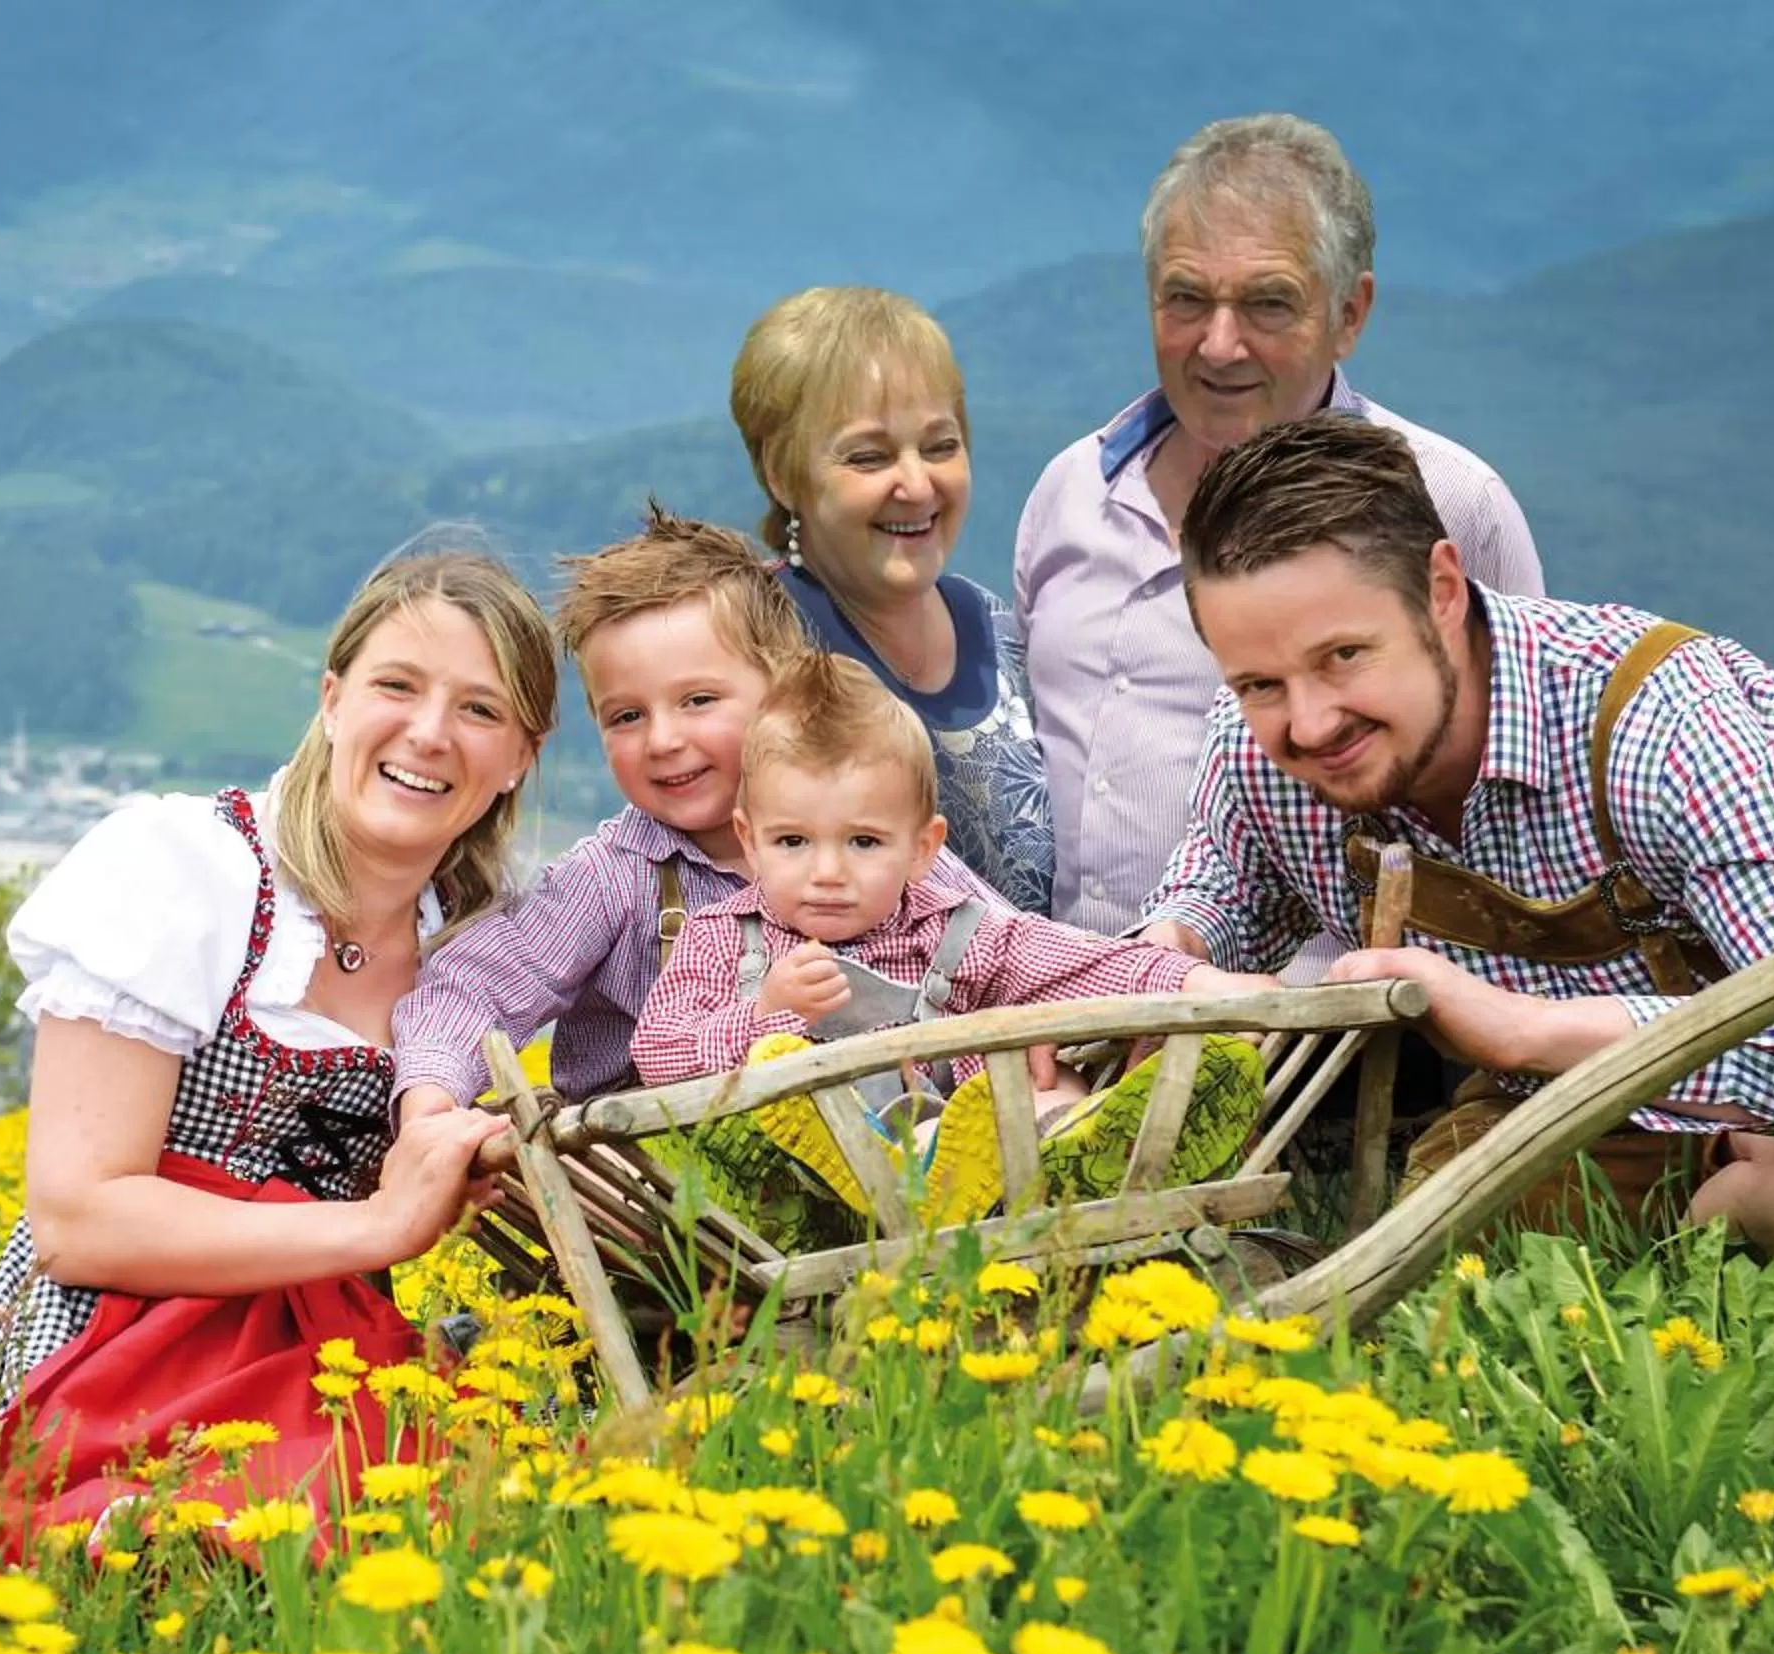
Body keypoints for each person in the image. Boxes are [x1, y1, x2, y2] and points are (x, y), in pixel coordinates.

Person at [0, 549, 556, 1592]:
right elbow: (78, 1221)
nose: (431, 733)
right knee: (212, 1541)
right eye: (397, 685)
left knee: (505, 1488)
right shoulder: (187, 869)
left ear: (521, 755)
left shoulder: (482, 948)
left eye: (480, 709)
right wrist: (381, 1225)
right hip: (105, 1343)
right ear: (332, 699)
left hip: (322, 1348)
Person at [1139, 417, 1774, 1309]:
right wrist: (1162, 962)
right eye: (1259, 684)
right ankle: (1674, 1279)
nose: (1309, 723)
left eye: (1344, 656)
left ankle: (1735, 1270)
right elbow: (1215, 896)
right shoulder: (1255, 754)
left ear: (1440, 587)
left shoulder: (1667, 719)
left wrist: (1517, 1029)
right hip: (1542, 1119)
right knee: (1427, 1300)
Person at [1016, 112, 1544, 937]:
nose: (1220, 346)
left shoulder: (1452, 501)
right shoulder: (1072, 491)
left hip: (1358, 1037)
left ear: (1350, 314)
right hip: (1089, 1023)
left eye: (1268, 304)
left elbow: (1527, 789)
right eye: (1186, 299)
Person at [389, 505, 996, 1121]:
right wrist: (429, 1105)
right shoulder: (613, 878)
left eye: (698, 700)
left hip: (887, 1142)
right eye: (626, 716)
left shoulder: (878, 836)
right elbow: (479, 983)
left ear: (783, 690)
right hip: (658, 1174)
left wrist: (1039, 1037)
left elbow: (1001, 944)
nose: (662, 741)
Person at [634, 654, 1263, 1231]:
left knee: (1049, 1086)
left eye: (863, 842)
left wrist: (1194, 982)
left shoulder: (956, 932)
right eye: (792, 842)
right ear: (750, 839)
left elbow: (1079, 964)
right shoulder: (723, 939)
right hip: (804, 1201)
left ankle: (1079, 1156)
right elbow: (656, 1052)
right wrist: (762, 1017)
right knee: (717, 1128)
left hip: (963, 1177)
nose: (827, 872)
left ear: (922, 849)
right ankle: (859, 1157)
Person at [730, 286, 1055, 914]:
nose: (916, 483)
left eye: (940, 446)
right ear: (782, 474)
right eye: (870, 456)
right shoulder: (758, 646)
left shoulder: (994, 627)